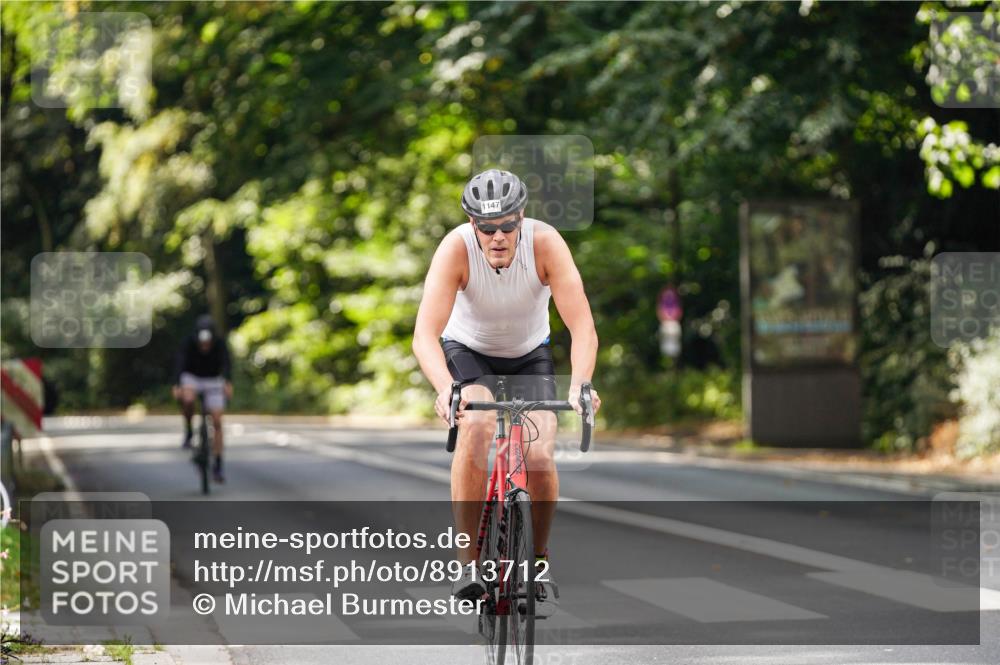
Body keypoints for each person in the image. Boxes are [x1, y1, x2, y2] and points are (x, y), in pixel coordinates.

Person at [412, 168, 602, 616]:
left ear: (522, 217)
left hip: (528, 354)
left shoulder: (546, 243)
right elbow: (425, 334)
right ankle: (468, 566)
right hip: (469, 351)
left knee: (539, 453)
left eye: (507, 226)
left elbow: (583, 327)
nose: (498, 237)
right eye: (487, 227)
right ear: (473, 224)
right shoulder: (456, 249)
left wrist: (579, 385)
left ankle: (537, 560)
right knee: (476, 423)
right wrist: (446, 389)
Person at [172, 315, 233, 483]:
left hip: (213, 379)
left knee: (217, 421)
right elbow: (180, 363)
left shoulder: (220, 343)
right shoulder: (188, 343)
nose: (205, 345)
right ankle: (189, 430)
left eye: (208, 341)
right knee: (189, 399)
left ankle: (218, 465)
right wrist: (177, 384)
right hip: (192, 377)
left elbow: (227, 363)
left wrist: (227, 382)